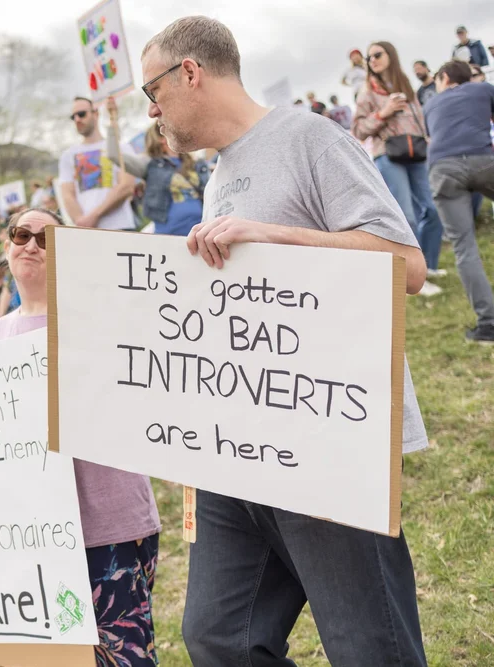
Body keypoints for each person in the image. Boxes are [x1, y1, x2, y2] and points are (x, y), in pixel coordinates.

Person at [140, 16, 428, 666]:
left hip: (325, 440)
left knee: (367, 645)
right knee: (219, 635)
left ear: (190, 72)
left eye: (152, 90)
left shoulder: (309, 138)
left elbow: (406, 266)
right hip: (235, 446)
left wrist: (276, 236)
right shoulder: (217, 178)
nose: (151, 109)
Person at [0, 207, 162, 666]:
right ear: (7, 248)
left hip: (108, 521)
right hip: (37, 533)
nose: (32, 245)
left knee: (123, 657)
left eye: (46, 238)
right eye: (21, 235)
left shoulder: (96, 315)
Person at [353, 40, 445, 291]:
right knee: (407, 218)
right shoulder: (367, 92)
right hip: (389, 155)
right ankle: (413, 279)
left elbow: (420, 119)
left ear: (390, 55)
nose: (372, 60)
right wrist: (383, 112)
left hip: (417, 153)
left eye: (377, 54)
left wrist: (426, 136)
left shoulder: (406, 87)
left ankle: (428, 265)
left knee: (433, 210)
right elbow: (358, 130)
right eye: (369, 57)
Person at [424, 60, 494, 343]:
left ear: (444, 77)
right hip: (483, 160)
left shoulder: (431, 104)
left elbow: (434, 136)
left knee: (464, 247)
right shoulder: (483, 89)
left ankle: (488, 325)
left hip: (443, 169)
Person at [106, 98, 210, 236]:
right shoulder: (150, 164)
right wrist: (112, 118)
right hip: (169, 236)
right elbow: (113, 155)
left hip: (201, 233)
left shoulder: (195, 163)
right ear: (161, 137)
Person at [58, 96, 137, 230]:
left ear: (96, 114)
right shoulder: (67, 155)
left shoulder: (121, 147)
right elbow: (67, 194)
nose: (77, 119)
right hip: (87, 232)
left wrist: (94, 216)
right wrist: (81, 222)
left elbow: (126, 186)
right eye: (73, 117)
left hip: (120, 228)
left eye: (81, 114)